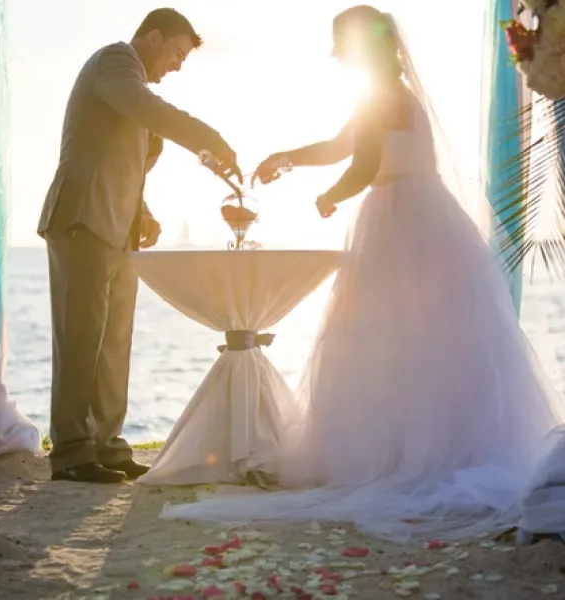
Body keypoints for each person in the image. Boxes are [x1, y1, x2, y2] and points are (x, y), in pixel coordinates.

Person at [158, 6, 565, 540]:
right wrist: (286, 158)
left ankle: (396, 454)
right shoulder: (392, 92)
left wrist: (331, 196)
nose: (333, 54)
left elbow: (364, 162)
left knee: (384, 335)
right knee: (428, 340)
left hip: (399, 220)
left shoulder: (383, 95)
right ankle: (423, 445)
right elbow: (338, 146)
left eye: (338, 43)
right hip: (423, 215)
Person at [37, 8, 242, 484]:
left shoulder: (135, 92)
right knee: (81, 340)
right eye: (175, 54)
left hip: (119, 229)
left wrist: (143, 212)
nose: (175, 66)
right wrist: (208, 139)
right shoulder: (115, 63)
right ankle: (71, 454)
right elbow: (149, 113)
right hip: (81, 220)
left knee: (114, 347)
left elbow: (127, 164)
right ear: (152, 37)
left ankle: (108, 447)